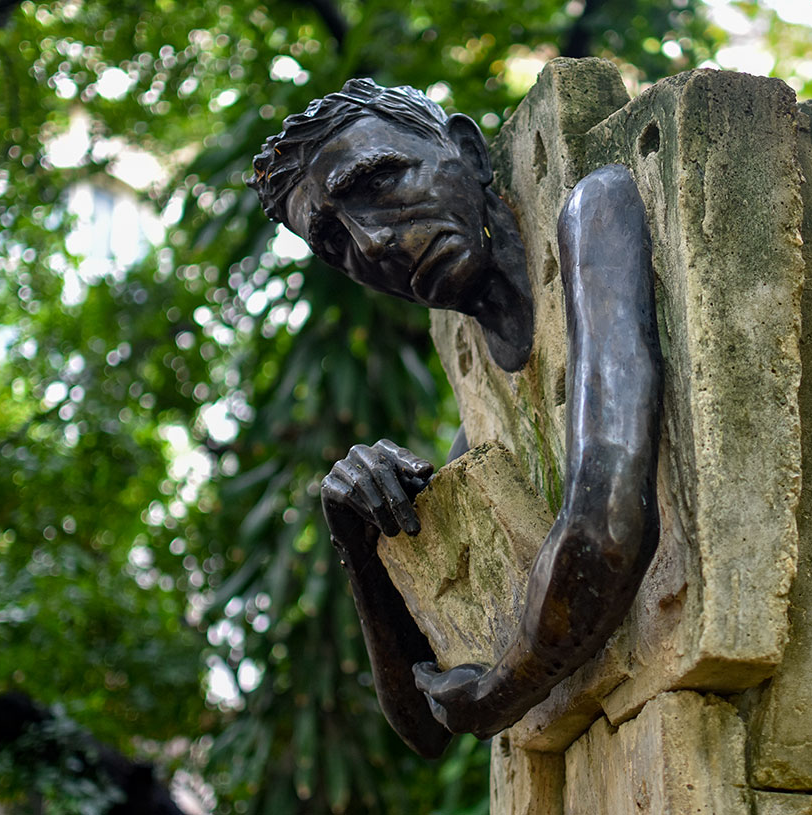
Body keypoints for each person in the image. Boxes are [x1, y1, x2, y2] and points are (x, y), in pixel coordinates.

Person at [249, 78, 662, 758]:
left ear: (468, 153)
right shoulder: (482, 419)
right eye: (334, 242)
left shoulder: (594, 212)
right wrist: (359, 542)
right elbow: (422, 722)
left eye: (379, 181)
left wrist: (504, 685)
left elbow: (604, 524)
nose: (374, 244)